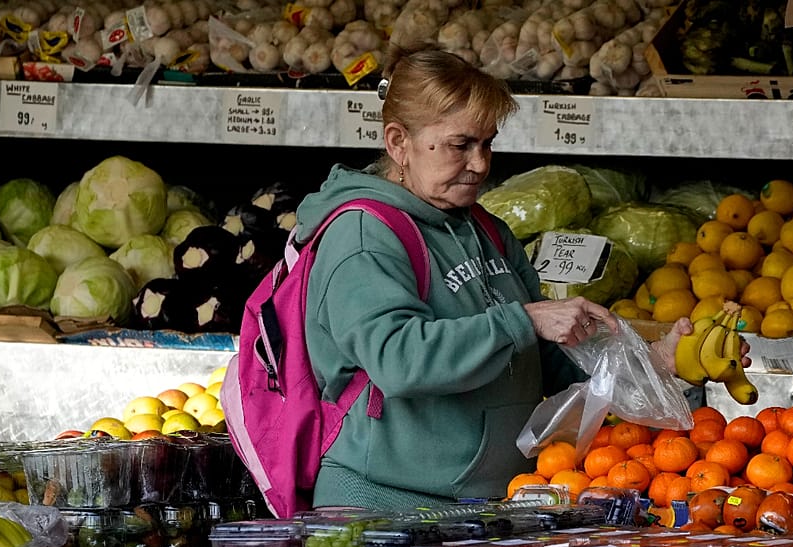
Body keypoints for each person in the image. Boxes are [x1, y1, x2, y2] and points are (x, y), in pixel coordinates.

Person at [293, 46, 694, 511]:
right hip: (385, 506)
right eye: (460, 145)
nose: (481, 164)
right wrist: (522, 320)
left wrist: (648, 365)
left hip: (492, 503)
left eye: (487, 143)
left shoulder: (485, 230)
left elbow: (547, 361)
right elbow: (398, 359)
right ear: (398, 142)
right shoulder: (364, 235)